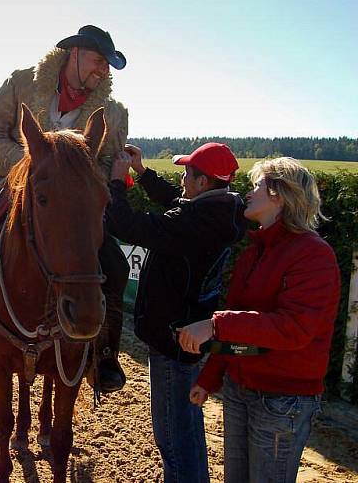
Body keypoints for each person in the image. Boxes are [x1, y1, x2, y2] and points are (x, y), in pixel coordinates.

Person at [0, 25, 130, 389]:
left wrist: (85, 179)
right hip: (11, 187)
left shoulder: (112, 113)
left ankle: (104, 356)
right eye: (99, 61)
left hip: (74, 207)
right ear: (75, 53)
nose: (103, 71)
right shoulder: (21, 82)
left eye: (107, 66)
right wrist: (27, 163)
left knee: (113, 265)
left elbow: (105, 163)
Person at [179, 157, 340, 483]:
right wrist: (210, 378)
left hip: (281, 402)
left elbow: (293, 329)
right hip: (241, 391)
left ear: (279, 193)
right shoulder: (255, 251)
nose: (248, 193)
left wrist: (213, 325)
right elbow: (244, 339)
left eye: (257, 186)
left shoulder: (314, 254)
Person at [106, 142, 246, 483]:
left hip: (172, 341)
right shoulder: (220, 213)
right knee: (184, 431)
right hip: (184, 333)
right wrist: (142, 174)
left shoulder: (191, 224)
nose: (182, 179)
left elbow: (124, 224)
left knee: (174, 440)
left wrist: (115, 182)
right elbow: (177, 203)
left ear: (203, 182)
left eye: (187, 174)